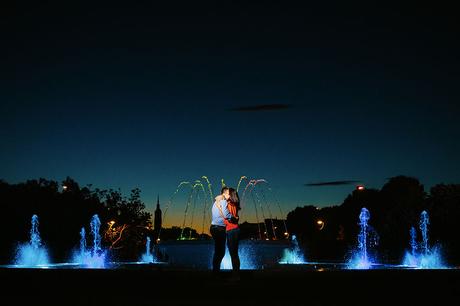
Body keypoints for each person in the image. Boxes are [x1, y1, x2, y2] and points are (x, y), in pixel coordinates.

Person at [210, 186, 231, 276]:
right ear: (225, 193)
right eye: (229, 194)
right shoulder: (223, 201)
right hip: (219, 228)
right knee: (221, 251)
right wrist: (234, 217)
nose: (230, 196)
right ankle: (216, 272)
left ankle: (215, 271)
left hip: (214, 227)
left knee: (218, 250)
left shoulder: (217, 201)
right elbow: (226, 215)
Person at [224, 187, 241, 280]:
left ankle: (236, 275)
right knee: (234, 254)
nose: (225, 195)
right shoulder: (235, 204)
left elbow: (230, 218)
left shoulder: (229, 204)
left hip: (232, 230)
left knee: (233, 254)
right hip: (235, 230)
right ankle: (236, 273)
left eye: (227, 193)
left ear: (230, 195)